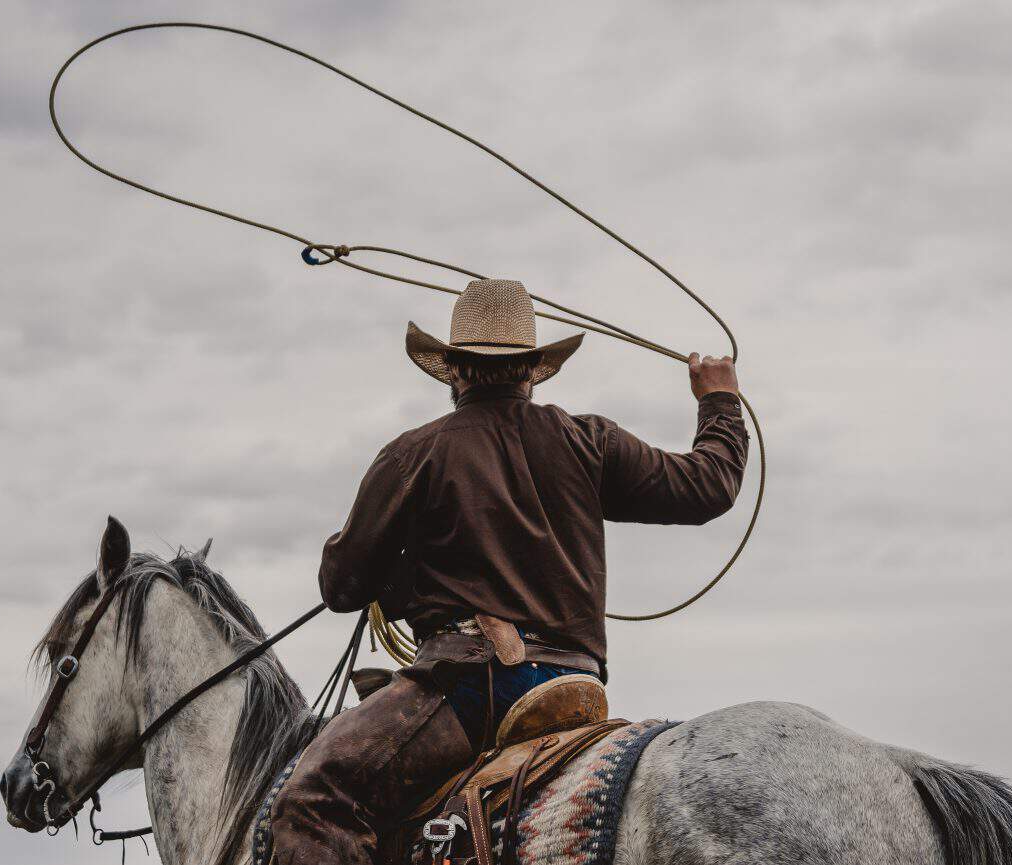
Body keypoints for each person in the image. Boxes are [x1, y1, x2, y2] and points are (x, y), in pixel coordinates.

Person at [267, 279, 749, 864]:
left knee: (313, 800)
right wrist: (719, 400)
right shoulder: (589, 441)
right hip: (574, 683)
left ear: (453, 371)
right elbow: (708, 486)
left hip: (469, 687)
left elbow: (341, 586)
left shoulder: (413, 454)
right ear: (533, 370)